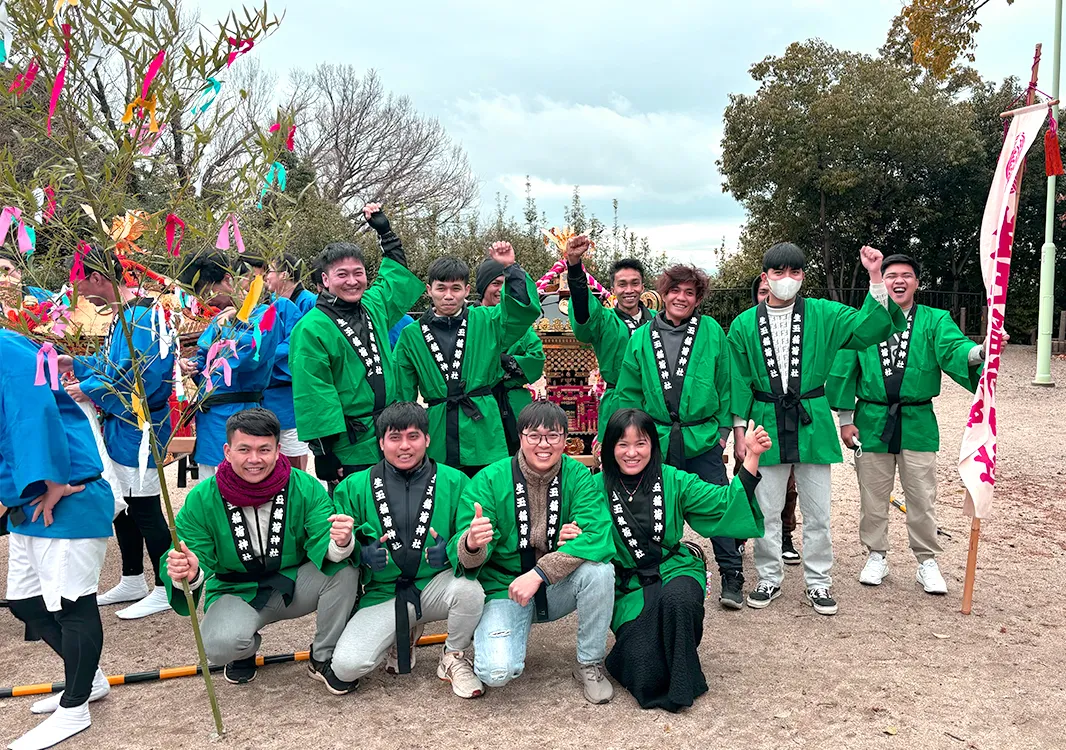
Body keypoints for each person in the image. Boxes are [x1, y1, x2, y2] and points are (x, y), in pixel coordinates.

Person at [729, 242, 905, 616]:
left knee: (818, 512)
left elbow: (869, 327)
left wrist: (876, 275)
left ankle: (819, 581)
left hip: (811, 418)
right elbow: (738, 379)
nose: (787, 279)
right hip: (765, 420)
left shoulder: (824, 313)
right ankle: (769, 576)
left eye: (794, 272)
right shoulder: (743, 324)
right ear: (765, 277)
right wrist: (739, 430)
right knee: (766, 509)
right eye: (779, 272)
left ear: (803, 276)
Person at [162, 409, 361, 692]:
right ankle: (243, 652)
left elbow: (322, 533)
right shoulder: (202, 498)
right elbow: (191, 548)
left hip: (295, 581)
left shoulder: (303, 486)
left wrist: (340, 541)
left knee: (345, 568)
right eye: (244, 449)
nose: (254, 459)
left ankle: (322, 656)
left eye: (264, 450)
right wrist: (190, 570)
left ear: (278, 450)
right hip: (236, 588)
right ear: (227, 451)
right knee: (218, 646)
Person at [828, 254, 983, 595]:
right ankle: (876, 555)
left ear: (917, 283)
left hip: (917, 419)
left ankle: (926, 560)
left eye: (907, 275)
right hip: (871, 419)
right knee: (872, 495)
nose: (899, 281)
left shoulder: (934, 320)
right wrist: (845, 420)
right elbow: (844, 370)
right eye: (891, 275)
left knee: (922, 495)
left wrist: (981, 353)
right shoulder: (864, 320)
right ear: (881, 282)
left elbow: (955, 348)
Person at [598, 409, 769, 711]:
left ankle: (682, 677)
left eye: (640, 443)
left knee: (679, 600)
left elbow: (722, 501)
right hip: (628, 585)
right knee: (644, 668)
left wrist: (752, 456)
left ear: (653, 445)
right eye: (622, 444)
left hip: (673, 568)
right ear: (610, 447)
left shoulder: (674, 479)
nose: (632, 453)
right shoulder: (594, 487)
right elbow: (574, 526)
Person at [447, 402, 616, 704]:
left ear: (565, 440)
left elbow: (598, 534)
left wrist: (540, 573)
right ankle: (492, 637)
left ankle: (589, 663)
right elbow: (465, 553)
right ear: (520, 437)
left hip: (556, 585)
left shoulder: (578, 476)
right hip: (505, 588)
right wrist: (472, 543)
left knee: (600, 572)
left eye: (553, 436)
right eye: (534, 436)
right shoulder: (490, 479)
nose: (544, 444)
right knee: (496, 672)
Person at [2, 329, 115, 750]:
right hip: (25, 496)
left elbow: (32, 410)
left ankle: (75, 707)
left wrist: (52, 477)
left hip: (64, 491)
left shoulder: (4, 347)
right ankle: (90, 679)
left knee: (72, 604)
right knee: (25, 602)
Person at [331, 402, 485, 698]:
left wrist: (458, 548)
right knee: (346, 667)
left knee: (469, 590)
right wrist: (360, 552)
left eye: (413, 436)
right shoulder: (354, 486)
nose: (405, 446)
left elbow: (468, 536)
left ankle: (453, 656)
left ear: (427, 439)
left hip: (435, 585)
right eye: (395, 438)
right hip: (384, 592)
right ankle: (403, 633)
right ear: (381, 443)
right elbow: (342, 544)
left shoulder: (456, 482)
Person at [56, 246, 175, 620]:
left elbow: (143, 375)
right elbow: (111, 364)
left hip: (140, 427)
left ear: (96, 277)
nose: (80, 294)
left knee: (145, 507)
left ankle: (167, 586)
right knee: (123, 505)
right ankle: (132, 577)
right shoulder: (123, 316)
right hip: (121, 426)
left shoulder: (143, 316)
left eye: (80, 285)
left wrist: (90, 388)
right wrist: (76, 364)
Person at [615, 264, 744, 610]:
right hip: (655, 437)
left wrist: (723, 432)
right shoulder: (641, 337)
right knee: (649, 504)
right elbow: (629, 392)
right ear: (663, 294)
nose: (681, 298)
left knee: (719, 504)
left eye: (689, 292)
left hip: (702, 436)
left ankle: (732, 572)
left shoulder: (712, 330)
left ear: (698, 298)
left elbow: (725, 383)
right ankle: (648, 570)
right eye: (675, 290)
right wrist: (630, 437)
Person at [290, 204, 425, 483]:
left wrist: (385, 233)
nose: (352, 281)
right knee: (355, 508)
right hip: (349, 445)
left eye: (358, 273)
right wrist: (324, 453)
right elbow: (314, 393)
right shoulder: (311, 328)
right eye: (342, 274)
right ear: (325, 279)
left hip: (391, 435)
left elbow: (395, 278)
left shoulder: (373, 306)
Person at [395, 246, 540, 475]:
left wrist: (511, 268)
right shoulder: (411, 335)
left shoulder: (487, 320)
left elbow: (520, 312)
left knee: (488, 490)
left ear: (467, 290)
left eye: (456, 288)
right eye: (441, 288)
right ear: (429, 290)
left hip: (482, 429)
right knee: (444, 490)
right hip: (439, 429)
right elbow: (402, 393)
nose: (448, 296)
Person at [177, 250, 283, 477]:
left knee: (242, 480)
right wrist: (190, 364)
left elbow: (248, 356)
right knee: (211, 485)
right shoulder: (220, 316)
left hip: (243, 414)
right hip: (211, 419)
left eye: (207, 292)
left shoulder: (265, 315)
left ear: (227, 280)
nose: (206, 301)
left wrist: (231, 322)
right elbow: (205, 355)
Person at [565, 236, 654, 443]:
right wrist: (575, 266)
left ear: (642, 287)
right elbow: (583, 307)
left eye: (634, 283)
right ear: (613, 290)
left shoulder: (658, 321)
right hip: (619, 402)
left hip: (655, 402)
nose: (629, 290)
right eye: (622, 284)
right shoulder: (604, 321)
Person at [748, 275, 801, 566]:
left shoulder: (795, 322)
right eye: (761, 292)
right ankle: (742, 536)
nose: (766, 295)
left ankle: (785, 535)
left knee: (789, 484)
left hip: (790, 413)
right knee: (749, 482)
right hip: (759, 416)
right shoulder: (747, 326)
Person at [244, 256, 312, 471]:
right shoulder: (267, 305)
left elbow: (302, 343)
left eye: (269, 272)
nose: (265, 278)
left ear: (284, 274)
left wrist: (264, 356)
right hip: (265, 393)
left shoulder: (304, 302)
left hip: (287, 390)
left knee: (293, 461)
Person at [475, 256, 545, 455]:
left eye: (505, 283)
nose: (501, 289)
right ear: (482, 287)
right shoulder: (470, 320)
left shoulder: (522, 327)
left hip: (515, 404)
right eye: (495, 283)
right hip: (477, 403)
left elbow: (536, 360)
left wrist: (494, 362)